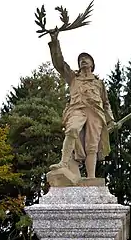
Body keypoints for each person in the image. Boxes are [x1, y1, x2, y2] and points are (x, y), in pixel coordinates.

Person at [48, 30, 118, 178]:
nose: (83, 60)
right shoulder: (73, 77)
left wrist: (110, 120)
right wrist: (55, 42)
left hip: (96, 114)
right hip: (77, 109)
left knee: (91, 147)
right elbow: (59, 64)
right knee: (72, 129)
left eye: (86, 59)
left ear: (92, 64)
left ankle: (91, 178)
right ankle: (63, 163)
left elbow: (106, 103)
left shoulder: (99, 83)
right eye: (81, 59)